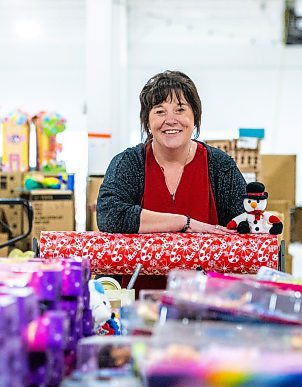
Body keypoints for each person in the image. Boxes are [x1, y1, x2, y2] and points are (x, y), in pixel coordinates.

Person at [96, 70, 247, 289]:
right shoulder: (129, 163)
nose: (170, 120)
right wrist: (183, 223)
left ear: (194, 116)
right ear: (147, 121)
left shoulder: (219, 166)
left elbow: (243, 224)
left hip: (206, 304)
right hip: (138, 305)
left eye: (180, 109)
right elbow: (109, 215)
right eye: (159, 111)